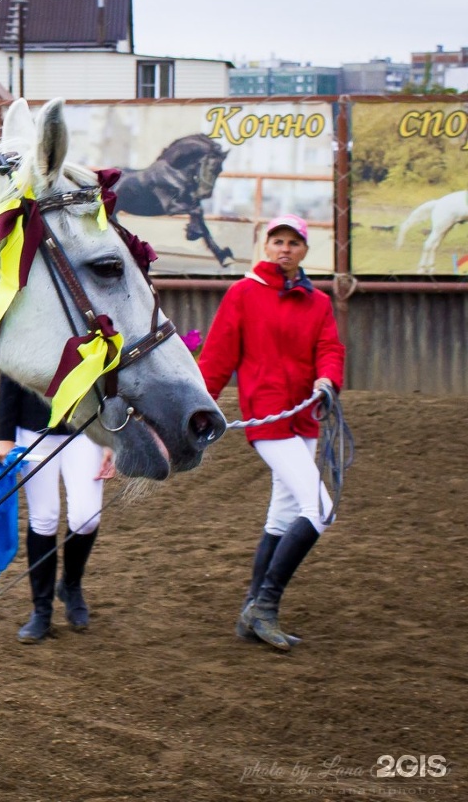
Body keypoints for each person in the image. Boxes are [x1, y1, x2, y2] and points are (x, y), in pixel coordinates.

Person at [196, 213, 345, 652]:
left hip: (306, 417)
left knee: (283, 515)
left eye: (293, 243)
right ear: (266, 247)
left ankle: (251, 610)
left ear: (304, 250)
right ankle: (266, 606)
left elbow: (330, 348)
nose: (284, 249)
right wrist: (200, 409)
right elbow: (219, 356)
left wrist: (327, 380)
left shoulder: (317, 302)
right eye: (277, 241)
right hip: (269, 419)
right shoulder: (243, 294)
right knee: (319, 507)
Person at [0, 375, 115, 644]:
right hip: (32, 427)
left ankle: (70, 585)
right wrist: (5, 435)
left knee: (86, 518)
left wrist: (110, 437)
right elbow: (12, 370)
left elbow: (108, 372)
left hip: (86, 426)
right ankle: (42, 611)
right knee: (44, 518)